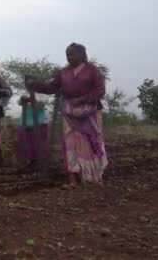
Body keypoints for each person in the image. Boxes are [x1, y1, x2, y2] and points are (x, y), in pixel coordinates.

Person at [26, 43, 108, 186]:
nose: (69, 57)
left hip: (90, 113)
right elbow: (51, 86)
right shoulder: (63, 72)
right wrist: (35, 85)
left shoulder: (92, 70)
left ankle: (91, 177)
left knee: (90, 141)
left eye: (72, 54)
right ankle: (73, 178)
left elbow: (100, 90)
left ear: (82, 55)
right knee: (71, 144)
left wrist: (82, 99)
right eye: (67, 54)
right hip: (69, 113)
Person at [16, 93, 49, 171]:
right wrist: (22, 99)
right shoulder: (26, 93)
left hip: (39, 121)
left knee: (38, 143)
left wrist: (33, 100)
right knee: (26, 142)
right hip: (25, 121)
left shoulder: (43, 94)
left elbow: (42, 105)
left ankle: (39, 162)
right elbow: (19, 102)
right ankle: (29, 162)